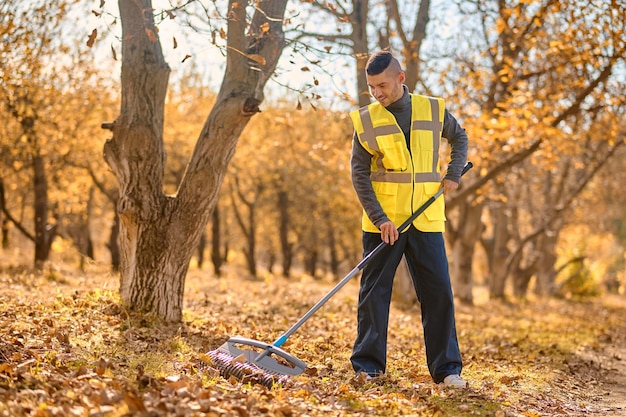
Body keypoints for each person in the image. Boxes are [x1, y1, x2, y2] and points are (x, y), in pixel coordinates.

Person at [349, 50, 469, 388]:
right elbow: (359, 174)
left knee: (438, 294)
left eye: (383, 85)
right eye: (372, 87)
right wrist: (380, 217)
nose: (378, 93)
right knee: (374, 294)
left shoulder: (432, 109)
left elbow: (459, 137)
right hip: (383, 224)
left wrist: (453, 172)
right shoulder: (367, 120)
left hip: (426, 219)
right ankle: (368, 366)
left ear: (401, 79)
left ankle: (447, 370)